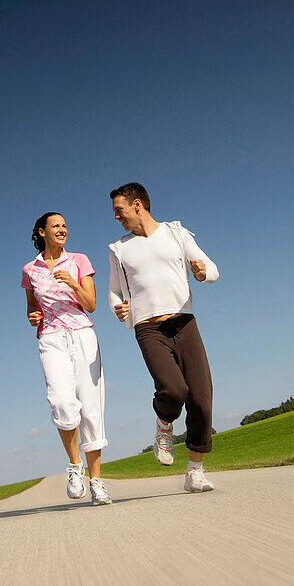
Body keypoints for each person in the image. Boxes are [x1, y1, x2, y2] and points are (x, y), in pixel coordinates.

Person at [108, 183, 219, 492]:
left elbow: (211, 268)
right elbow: (116, 291)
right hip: (148, 328)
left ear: (138, 205)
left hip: (184, 322)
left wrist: (202, 272)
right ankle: (164, 424)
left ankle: (195, 471)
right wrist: (118, 307)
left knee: (201, 399)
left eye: (120, 210)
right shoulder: (120, 249)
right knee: (173, 390)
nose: (117, 217)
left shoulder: (176, 233)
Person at [21, 212, 112, 506]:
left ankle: (96, 482)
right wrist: (32, 316)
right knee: (61, 400)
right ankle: (75, 466)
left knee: (91, 406)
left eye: (64, 226)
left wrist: (73, 283)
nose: (62, 230)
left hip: (82, 334)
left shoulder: (79, 260)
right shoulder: (29, 270)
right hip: (51, 339)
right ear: (42, 232)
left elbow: (92, 304)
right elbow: (32, 309)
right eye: (55, 226)